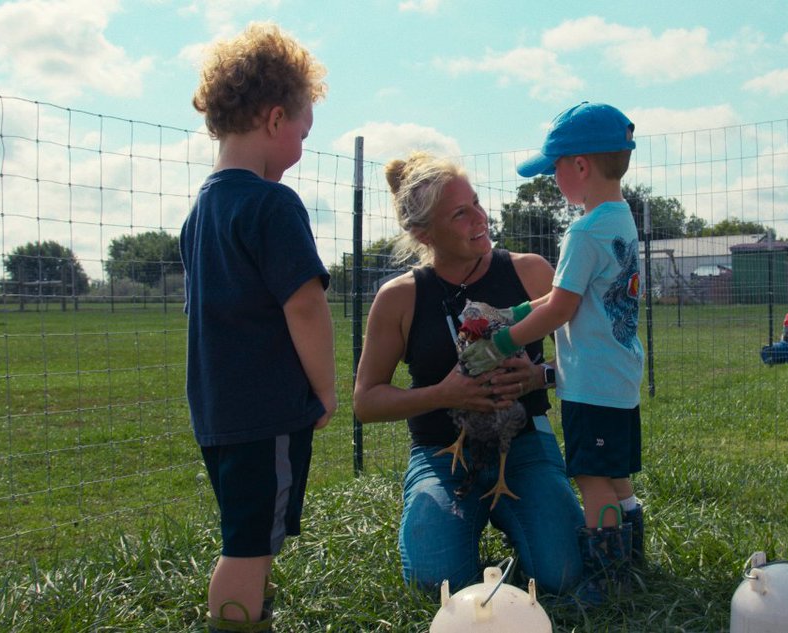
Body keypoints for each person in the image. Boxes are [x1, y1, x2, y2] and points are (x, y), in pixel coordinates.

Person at [352, 151, 585, 597]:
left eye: (477, 202)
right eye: (461, 213)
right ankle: (465, 533)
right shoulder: (398, 298)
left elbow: (586, 359)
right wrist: (443, 394)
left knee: (564, 575)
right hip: (441, 453)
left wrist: (540, 377)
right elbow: (367, 402)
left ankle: (524, 533)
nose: (480, 217)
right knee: (434, 581)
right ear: (422, 232)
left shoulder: (530, 273)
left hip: (524, 444)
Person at [180, 22, 334, 633]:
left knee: (249, 532)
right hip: (265, 411)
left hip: (218, 411)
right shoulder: (273, 205)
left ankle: (253, 613)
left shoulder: (203, 209)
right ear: (275, 120)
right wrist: (323, 389)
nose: (301, 143)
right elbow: (305, 307)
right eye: (303, 130)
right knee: (247, 546)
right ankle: (238, 621)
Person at [460, 102, 646, 590]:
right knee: (616, 472)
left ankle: (608, 577)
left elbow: (561, 310)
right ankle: (634, 552)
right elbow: (561, 296)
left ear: (580, 166)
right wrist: (519, 311)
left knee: (591, 480)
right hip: (619, 374)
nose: (552, 181)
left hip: (592, 382)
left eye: (555, 171)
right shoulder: (620, 218)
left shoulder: (584, 232)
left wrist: (500, 342)